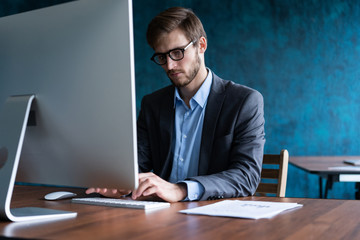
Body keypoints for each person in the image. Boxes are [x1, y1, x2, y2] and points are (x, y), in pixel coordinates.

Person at [86, 7, 265, 202]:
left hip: (215, 218)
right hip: (160, 216)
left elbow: (247, 176)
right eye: (162, 57)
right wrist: (122, 185)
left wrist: (181, 190)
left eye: (177, 52)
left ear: (201, 45)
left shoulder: (244, 102)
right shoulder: (152, 105)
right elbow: (137, 165)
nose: (170, 66)